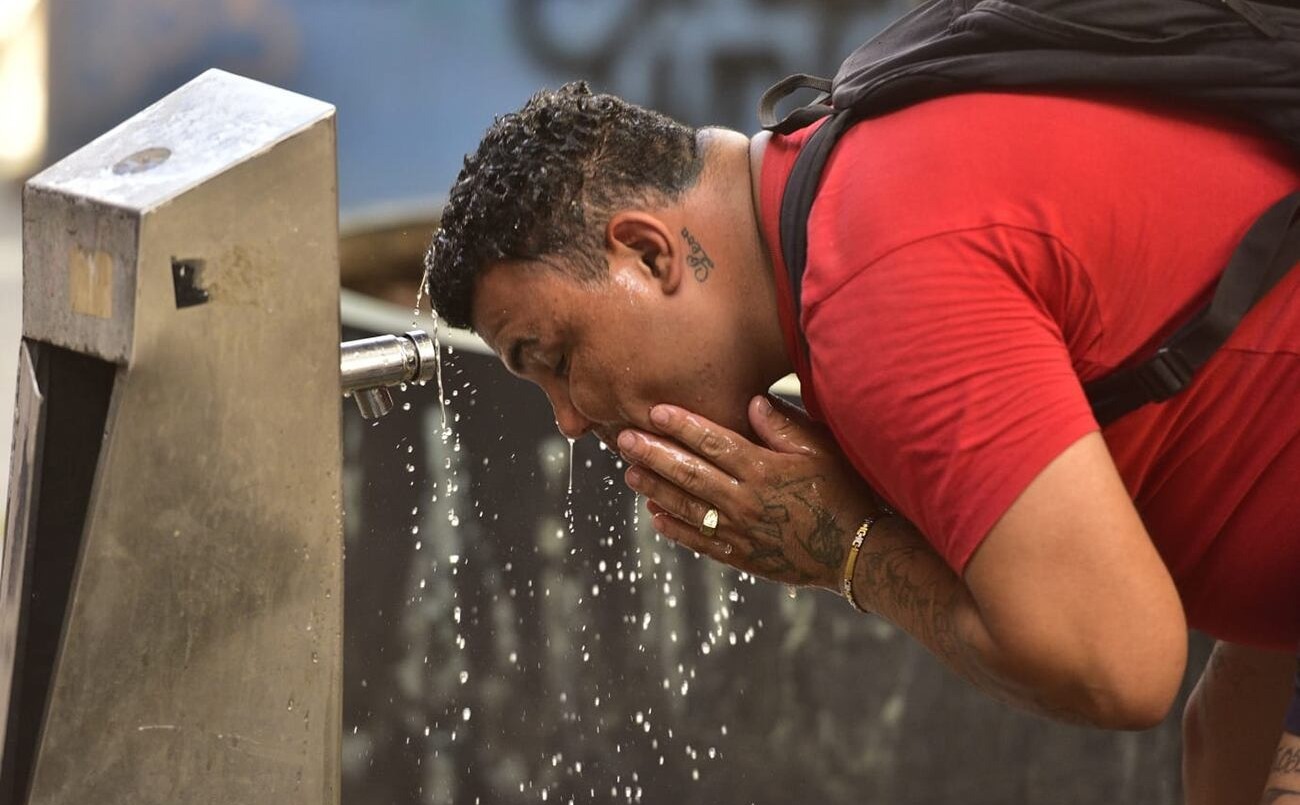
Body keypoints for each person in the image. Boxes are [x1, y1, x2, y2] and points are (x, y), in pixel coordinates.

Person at [425, 81, 1300, 802]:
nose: (569, 419)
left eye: (555, 358)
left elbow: (1118, 664)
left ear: (650, 255)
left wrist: (852, 550)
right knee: (1227, 745)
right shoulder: (845, 159)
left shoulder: (867, 291)